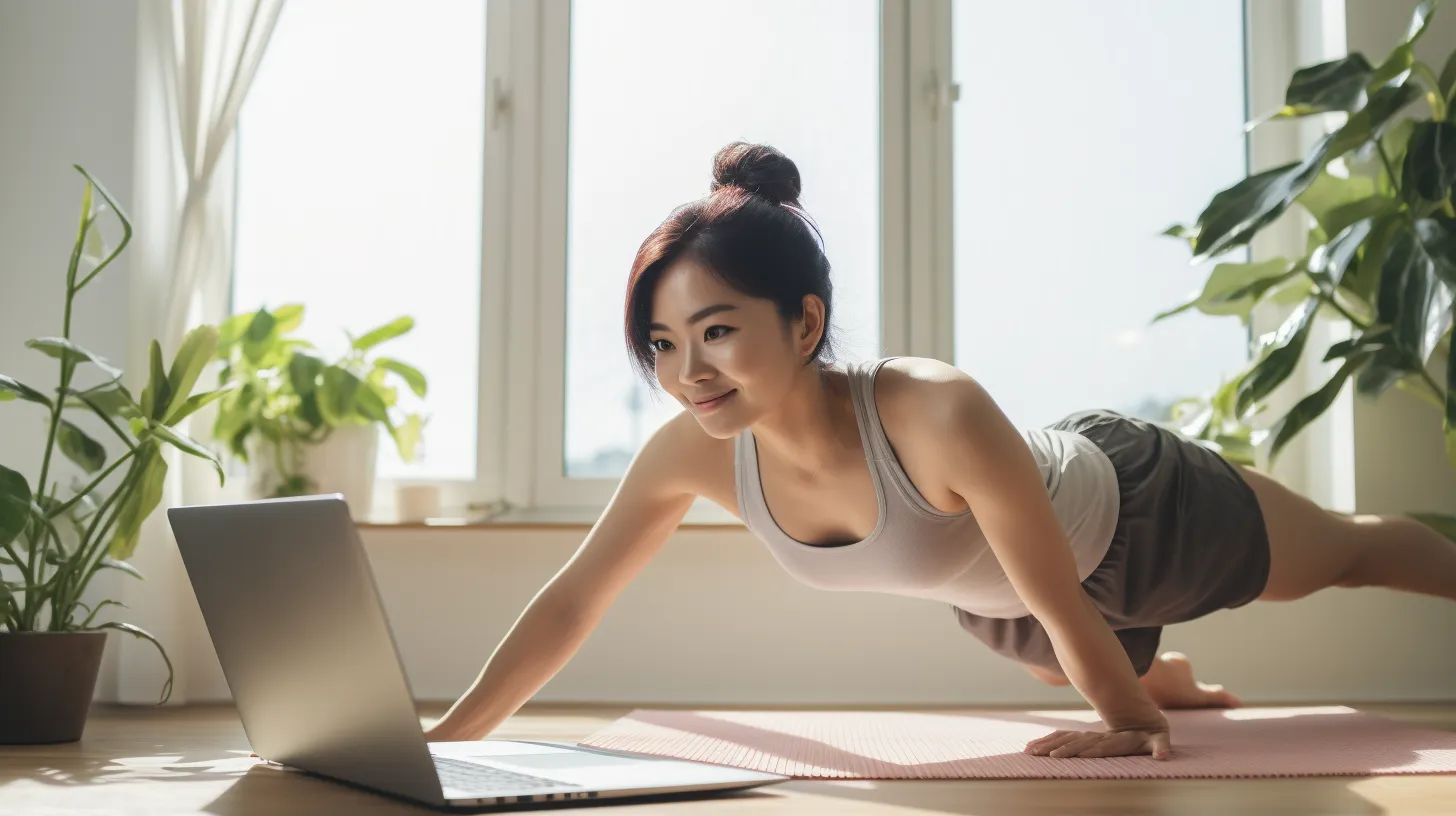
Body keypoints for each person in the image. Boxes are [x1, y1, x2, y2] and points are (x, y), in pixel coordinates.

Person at [425, 142, 1456, 761]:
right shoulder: (691, 455)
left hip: (1143, 517)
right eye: (662, 343)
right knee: (1059, 649)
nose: (688, 369)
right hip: (1005, 603)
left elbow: (1057, 583)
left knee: (1350, 554)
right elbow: (573, 601)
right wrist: (449, 746)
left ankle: (1151, 668)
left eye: (717, 330)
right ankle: (1162, 664)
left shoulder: (931, 409)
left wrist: (1131, 716)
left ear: (803, 321)